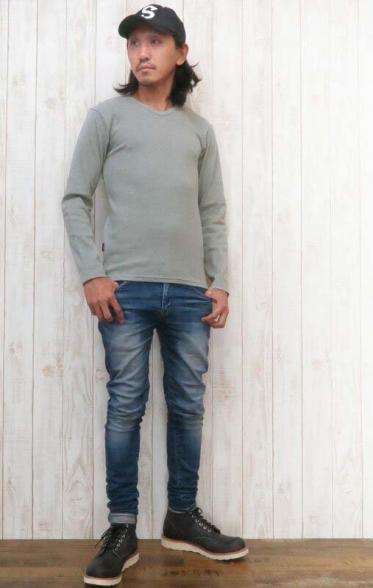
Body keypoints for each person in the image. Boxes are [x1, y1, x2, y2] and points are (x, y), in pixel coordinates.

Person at [60, 4, 248, 586]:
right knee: (126, 404)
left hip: (190, 292)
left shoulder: (198, 131)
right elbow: (75, 199)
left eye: (155, 42)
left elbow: (212, 211)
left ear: (180, 53)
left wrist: (219, 281)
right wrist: (92, 273)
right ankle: (121, 528)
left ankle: (181, 517)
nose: (142, 53)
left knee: (188, 404)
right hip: (126, 290)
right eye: (134, 43)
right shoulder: (106, 118)